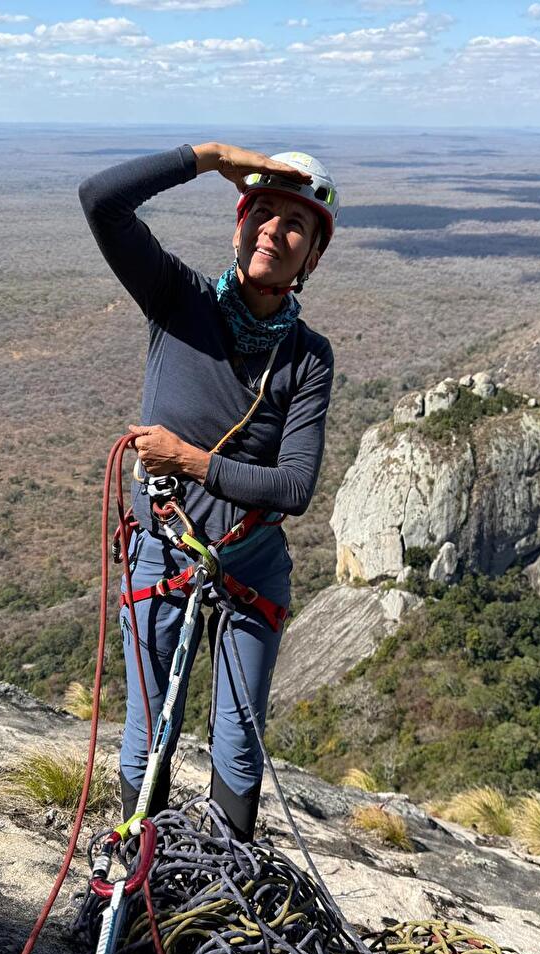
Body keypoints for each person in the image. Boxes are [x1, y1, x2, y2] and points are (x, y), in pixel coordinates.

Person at [78, 142, 338, 841]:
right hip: (162, 553)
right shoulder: (178, 300)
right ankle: (144, 873)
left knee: (239, 737)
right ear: (237, 227)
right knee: (150, 728)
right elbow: (100, 200)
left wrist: (188, 460)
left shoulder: (307, 357)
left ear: (312, 258)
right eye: (261, 213)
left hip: (250, 563)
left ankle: (223, 873)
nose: (273, 232)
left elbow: (294, 486)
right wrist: (210, 156)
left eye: (295, 224)